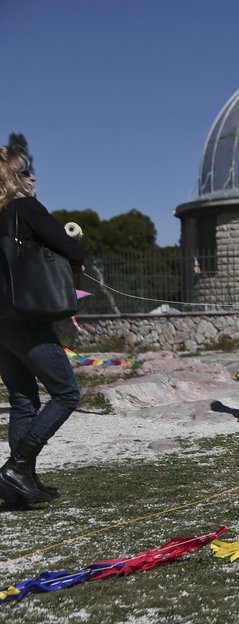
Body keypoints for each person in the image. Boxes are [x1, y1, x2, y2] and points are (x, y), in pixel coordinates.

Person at [0, 147, 85, 505]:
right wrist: (75, 241)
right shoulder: (25, 208)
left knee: (22, 400)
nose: (32, 177)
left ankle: (19, 485)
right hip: (27, 318)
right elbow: (71, 252)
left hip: (1, 322)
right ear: (9, 178)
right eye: (24, 172)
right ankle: (18, 466)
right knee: (66, 393)